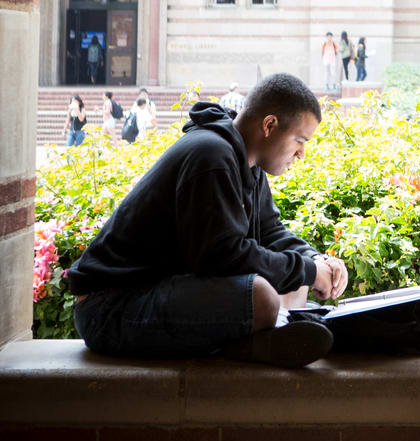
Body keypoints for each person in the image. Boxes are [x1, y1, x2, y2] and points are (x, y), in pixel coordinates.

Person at [69, 72, 348, 367]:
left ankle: (267, 336)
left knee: (296, 278)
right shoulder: (210, 156)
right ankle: (246, 346)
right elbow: (222, 257)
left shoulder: (248, 162)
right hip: (109, 307)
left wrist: (316, 260)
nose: (302, 153)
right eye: (300, 141)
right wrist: (306, 269)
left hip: (156, 293)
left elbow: (270, 231)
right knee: (263, 297)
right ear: (269, 125)